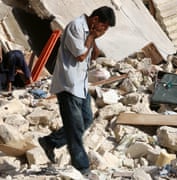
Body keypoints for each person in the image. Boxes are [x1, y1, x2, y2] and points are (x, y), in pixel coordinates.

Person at [37, 6, 116, 175]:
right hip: (68, 84)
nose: (105, 31)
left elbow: (93, 56)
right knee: (75, 127)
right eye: (105, 27)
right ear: (95, 20)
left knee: (86, 119)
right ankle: (82, 167)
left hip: (81, 84)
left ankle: (50, 142)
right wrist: (92, 36)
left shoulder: (89, 31)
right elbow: (80, 55)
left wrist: (94, 38)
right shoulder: (76, 27)